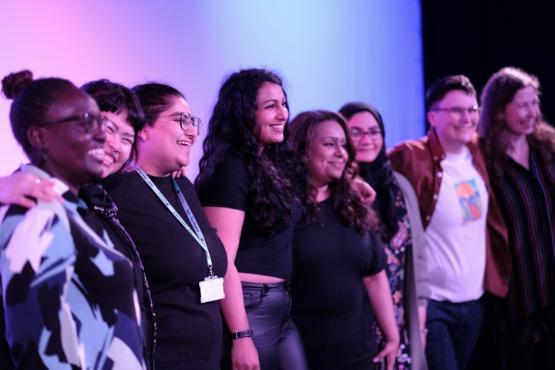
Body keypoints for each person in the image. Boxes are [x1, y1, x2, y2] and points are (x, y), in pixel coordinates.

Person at [0, 78, 158, 369]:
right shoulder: (37, 209)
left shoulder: (81, 208)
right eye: (88, 123)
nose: (104, 138)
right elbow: (37, 350)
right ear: (40, 137)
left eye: (126, 137)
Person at [103, 82, 228, 370]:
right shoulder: (113, 190)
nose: (193, 131)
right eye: (180, 120)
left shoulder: (183, 186)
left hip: (207, 357)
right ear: (143, 128)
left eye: (193, 122)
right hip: (160, 358)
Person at [388, 75, 510, 370]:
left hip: (475, 302)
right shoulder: (411, 156)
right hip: (433, 305)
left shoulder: (480, 154)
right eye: (456, 110)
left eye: (472, 110)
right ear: (432, 116)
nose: (466, 118)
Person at [196, 68, 307, 370]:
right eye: (270, 106)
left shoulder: (268, 163)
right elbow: (221, 261)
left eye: (283, 104)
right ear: (243, 112)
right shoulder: (229, 167)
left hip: (280, 308)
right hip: (249, 308)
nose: (282, 113)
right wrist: (241, 335)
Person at [288, 109, 399, 370]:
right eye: (329, 144)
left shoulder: (354, 206)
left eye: (343, 145)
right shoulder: (284, 211)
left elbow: (374, 277)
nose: (341, 153)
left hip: (360, 353)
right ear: (302, 150)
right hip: (304, 355)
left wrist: (392, 336)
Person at [339, 102, 429, 370]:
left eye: (374, 131)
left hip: (400, 319)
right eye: (356, 132)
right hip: (355, 321)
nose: (367, 140)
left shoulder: (399, 186)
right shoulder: (334, 190)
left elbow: (418, 254)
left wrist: (419, 322)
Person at [478, 67, 555, 369]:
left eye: (534, 103)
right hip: (517, 296)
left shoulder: (548, 147)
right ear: (498, 112)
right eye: (522, 105)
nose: (532, 112)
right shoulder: (483, 159)